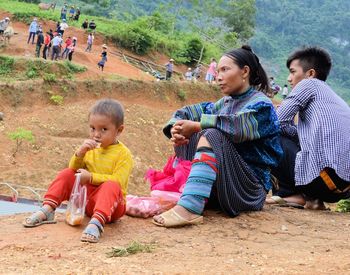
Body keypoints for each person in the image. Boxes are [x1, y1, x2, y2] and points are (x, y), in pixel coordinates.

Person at [153, 45, 282, 228]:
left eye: (225, 70)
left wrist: (198, 125)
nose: (218, 76)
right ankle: (192, 194)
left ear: (245, 71)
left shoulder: (262, 106)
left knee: (211, 134)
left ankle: (190, 208)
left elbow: (238, 126)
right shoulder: (224, 103)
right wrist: (176, 126)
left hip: (249, 191)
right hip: (225, 188)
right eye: (218, 70)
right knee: (188, 134)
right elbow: (189, 111)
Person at [23, 99, 134, 243]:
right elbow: (73, 169)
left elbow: (118, 180)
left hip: (112, 206)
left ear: (119, 130)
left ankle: (97, 223)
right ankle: (47, 209)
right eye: (92, 128)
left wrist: (91, 177)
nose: (96, 134)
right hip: (87, 203)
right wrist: (80, 153)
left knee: (111, 185)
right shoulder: (91, 148)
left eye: (103, 129)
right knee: (67, 173)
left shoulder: (123, 154)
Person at [266, 46, 350, 210]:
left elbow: (275, 122)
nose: (289, 79)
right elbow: (303, 136)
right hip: (343, 187)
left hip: (324, 180)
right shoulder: (333, 97)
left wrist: (285, 125)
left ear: (310, 74)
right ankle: (314, 201)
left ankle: (289, 193)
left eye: (292, 72)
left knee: (270, 134)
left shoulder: (308, 85)